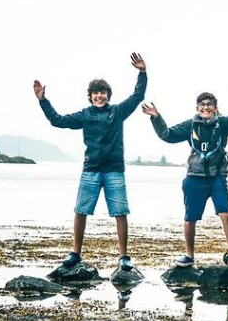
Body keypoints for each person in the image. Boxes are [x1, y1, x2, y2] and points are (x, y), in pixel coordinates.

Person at [33, 53, 147, 272]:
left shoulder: (117, 112)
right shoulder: (85, 115)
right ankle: (75, 253)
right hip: (91, 170)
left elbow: (137, 95)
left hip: (114, 170)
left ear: (108, 95)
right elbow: (57, 121)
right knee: (81, 211)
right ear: (91, 96)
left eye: (102, 92)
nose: (99, 96)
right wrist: (43, 100)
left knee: (120, 212)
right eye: (96, 93)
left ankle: (123, 256)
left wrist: (142, 72)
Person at [142, 80, 228, 267]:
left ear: (216, 108)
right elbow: (167, 135)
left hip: (217, 178)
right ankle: (189, 255)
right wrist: (156, 117)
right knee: (190, 218)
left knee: (225, 213)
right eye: (202, 105)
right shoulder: (190, 125)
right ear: (197, 108)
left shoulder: (223, 124)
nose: (206, 107)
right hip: (194, 178)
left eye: (209, 105)